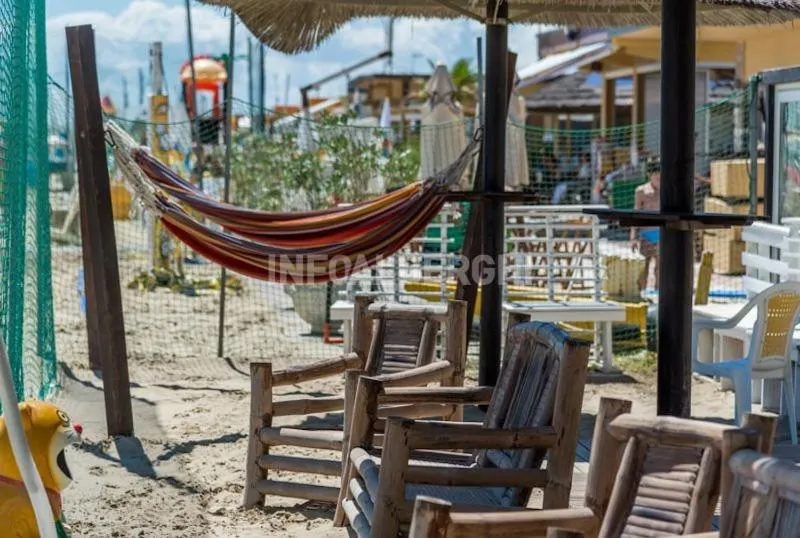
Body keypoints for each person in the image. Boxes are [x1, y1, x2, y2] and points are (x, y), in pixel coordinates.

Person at [632, 156, 661, 293]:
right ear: (650, 175)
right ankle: (641, 293)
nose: (659, 177)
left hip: (662, 233)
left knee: (660, 268)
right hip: (646, 235)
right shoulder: (641, 191)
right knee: (644, 266)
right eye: (656, 174)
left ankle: (659, 294)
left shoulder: (668, 191)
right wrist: (633, 237)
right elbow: (635, 215)